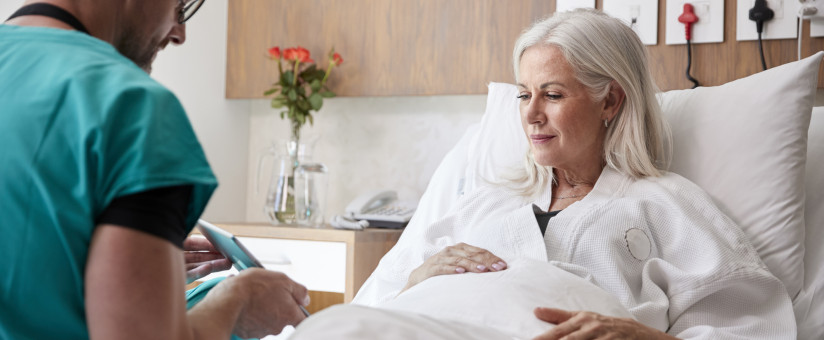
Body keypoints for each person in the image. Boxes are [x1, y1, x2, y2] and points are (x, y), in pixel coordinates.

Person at [304, 9, 794, 340]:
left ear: (611, 100)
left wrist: (641, 336)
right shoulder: (484, 203)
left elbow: (747, 328)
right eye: (523, 95)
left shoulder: (665, 205)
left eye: (553, 95)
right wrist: (418, 278)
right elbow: (370, 309)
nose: (531, 114)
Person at [0, 1, 308, 339]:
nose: (179, 33)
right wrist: (238, 301)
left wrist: (136, 275)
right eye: (180, 6)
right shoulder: (131, 105)